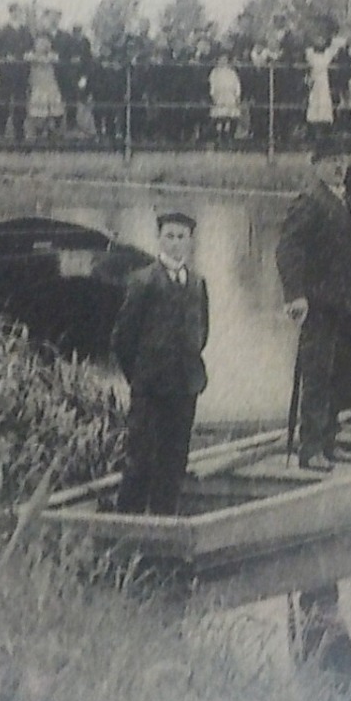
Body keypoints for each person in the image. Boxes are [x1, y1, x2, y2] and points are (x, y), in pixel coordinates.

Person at [276, 139, 351, 472]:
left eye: (343, 160)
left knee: (340, 377)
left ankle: (330, 441)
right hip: (320, 306)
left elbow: (347, 249)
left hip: (347, 306)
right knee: (317, 376)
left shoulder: (344, 200)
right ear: (316, 165)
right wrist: (294, 295)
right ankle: (310, 448)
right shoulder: (311, 201)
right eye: (331, 161)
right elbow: (288, 250)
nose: (339, 166)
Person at [109, 210, 209, 514]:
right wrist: (140, 377)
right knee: (140, 459)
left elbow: (202, 332)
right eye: (169, 236)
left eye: (181, 237)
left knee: (175, 459)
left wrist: (187, 364)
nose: (175, 243)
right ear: (159, 239)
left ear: (190, 242)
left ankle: (165, 522)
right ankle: (127, 527)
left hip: (185, 386)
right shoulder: (143, 282)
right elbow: (123, 338)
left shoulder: (197, 283)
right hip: (150, 388)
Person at [0, 3, 33, 141]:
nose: (17, 14)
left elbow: (31, 47)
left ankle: (19, 132)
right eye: (15, 12)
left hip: (22, 70)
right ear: (11, 13)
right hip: (7, 70)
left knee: (20, 100)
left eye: (20, 12)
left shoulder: (26, 31)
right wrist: (5, 55)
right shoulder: (3, 30)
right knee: (4, 100)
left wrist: (28, 54)